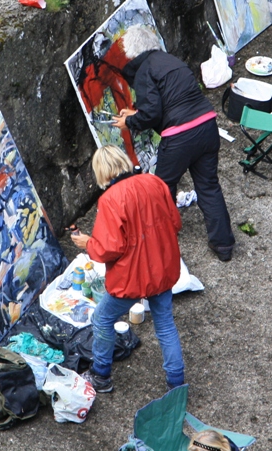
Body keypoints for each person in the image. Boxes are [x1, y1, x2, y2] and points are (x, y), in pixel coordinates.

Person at [113, 25, 236, 261]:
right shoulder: (171, 60)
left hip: (181, 135)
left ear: (132, 52)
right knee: (208, 186)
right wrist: (136, 114)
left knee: (162, 187)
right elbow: (167, 101)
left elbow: (151, 114)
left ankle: (164, 235)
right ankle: (223, 246)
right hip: (208, 125)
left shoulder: (144, 70)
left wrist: (130, 122)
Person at [70, 145, 186, 393]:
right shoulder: (154, 182)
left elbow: (108, 249)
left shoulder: (110, 199)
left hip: (132, 277)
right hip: (162, 268)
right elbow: (176, 222)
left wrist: (88, 242)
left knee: (101, 319)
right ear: (123, 161)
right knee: (165, 325)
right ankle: (176, 385)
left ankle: (101, 376)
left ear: (101, 172)